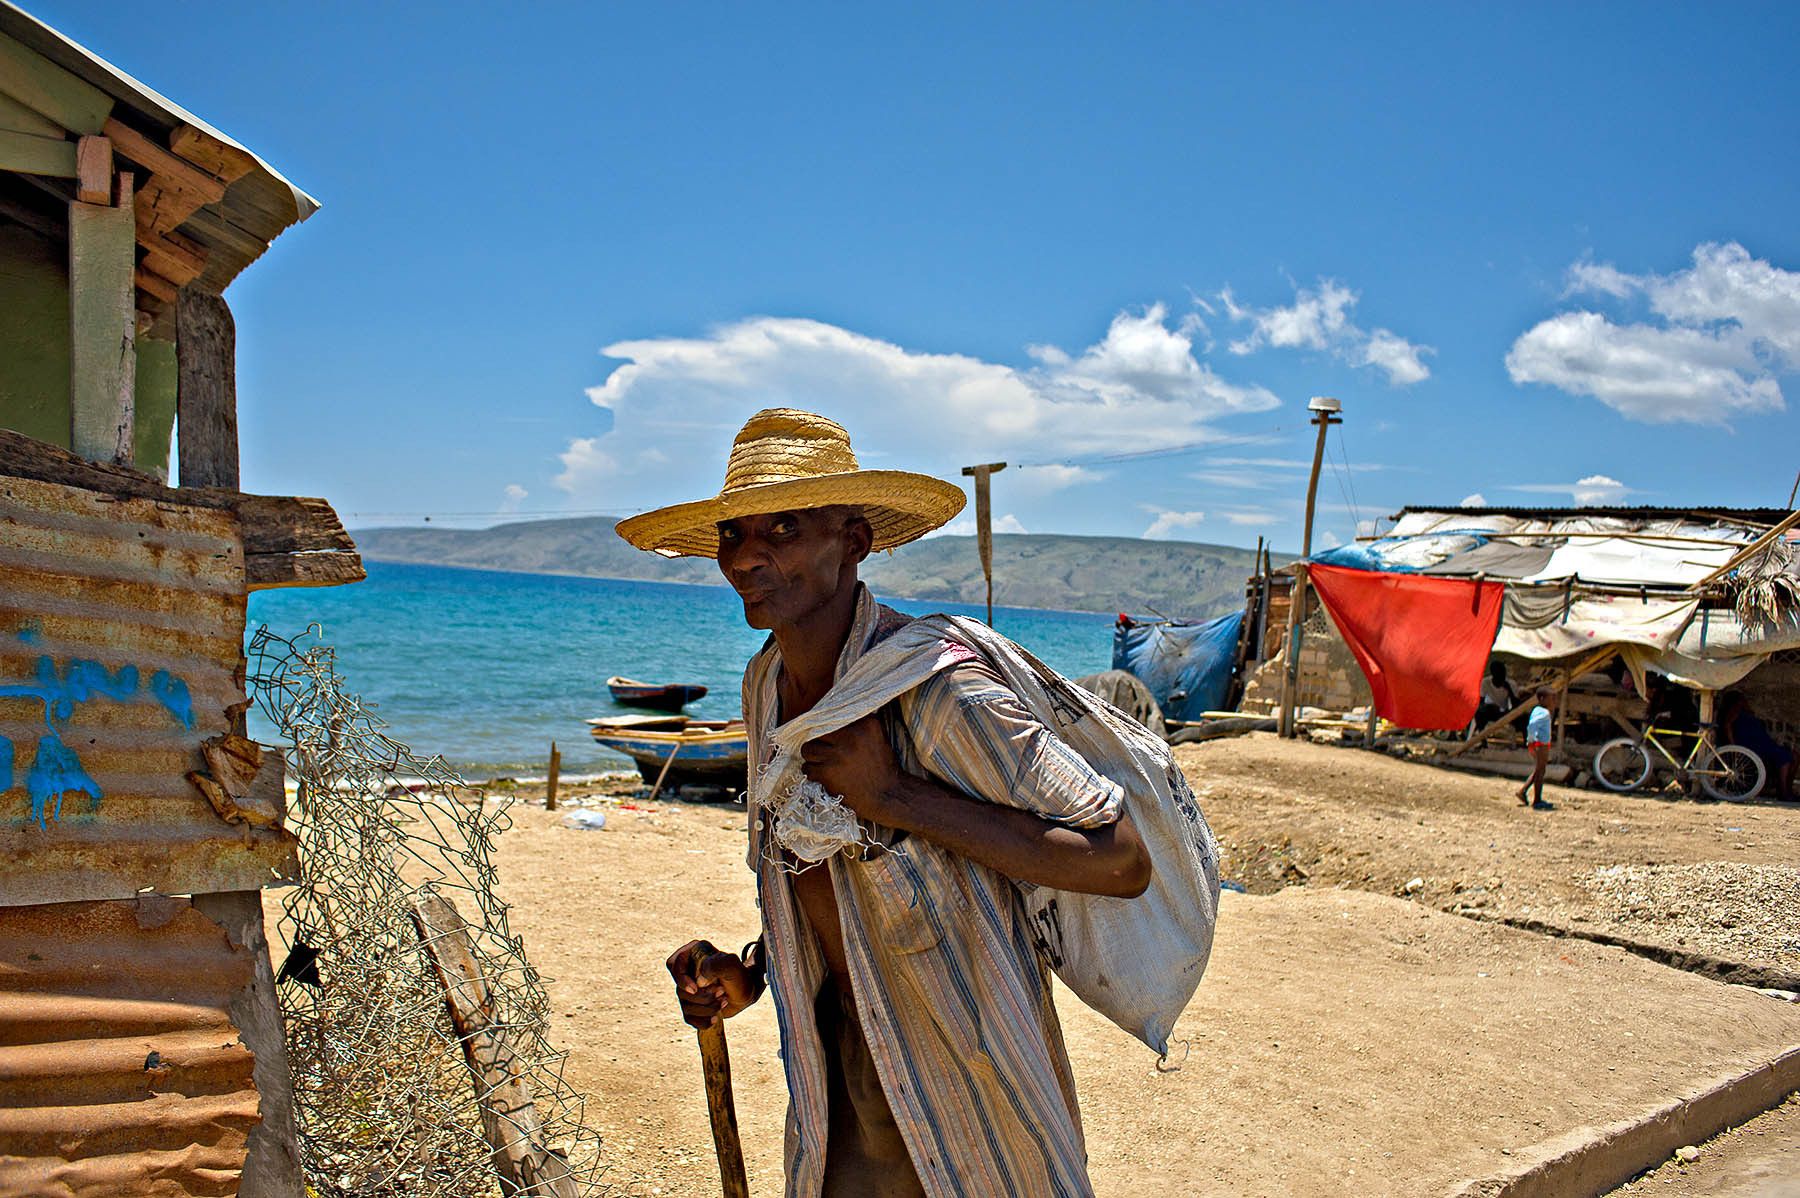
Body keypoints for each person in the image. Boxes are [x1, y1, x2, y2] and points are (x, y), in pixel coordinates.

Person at [618, 409, 1151, 1197]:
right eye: (734, 532)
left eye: (787, 527)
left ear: (855, 540)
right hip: (837, 1071)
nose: (748, 555)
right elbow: (843, 885)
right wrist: (755, 972)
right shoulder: (767, 686)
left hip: (964, 1071)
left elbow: (1121, 859)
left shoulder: (936, 687)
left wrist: (893, 795)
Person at [1718, 690, 1796, 802]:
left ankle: (1788, 789)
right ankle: (1783, 791)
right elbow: (1727, 726)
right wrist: (1733, 745)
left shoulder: (1747, 713)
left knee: (1795, 755)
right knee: (1785, 759)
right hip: (1753, 745)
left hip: (1764, 743)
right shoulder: (1735, 711)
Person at [1516, 685, 1556, 808]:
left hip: (1541, 744)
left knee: (1539, 770)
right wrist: (1531, 741)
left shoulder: (1537, 710)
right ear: (1543, 698)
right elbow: (1532, 725)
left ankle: (1523, 791)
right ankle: (1537, 800)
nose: (1553, 701)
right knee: (1540, 772)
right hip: (1541, 745)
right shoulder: (1544, 713)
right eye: (1551, 698)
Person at [1474, 660, 1517, 730]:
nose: (1501, 679)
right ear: (1493, 675)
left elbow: (1516, 705)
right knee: (1479, 713)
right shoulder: (1486, 682)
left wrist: (1509, 690)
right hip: (1492, 711)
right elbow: (1481, 701)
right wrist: (1488, 707)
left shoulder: (1511, 684)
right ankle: (1482, 737)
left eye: (1503, 676)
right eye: (1499, 677)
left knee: (1522, 717)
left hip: (1506, 713)